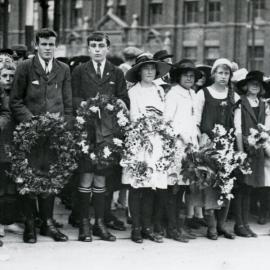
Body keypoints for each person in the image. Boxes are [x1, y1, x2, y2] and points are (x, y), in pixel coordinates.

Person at [10, 28, 72, 244]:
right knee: (29, 177)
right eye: (44, 44)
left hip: (54, 136)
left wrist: (64, 128)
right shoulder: (25, 67)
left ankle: (47, 222)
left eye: (51, 44)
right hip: (30, 136)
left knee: (50, 176)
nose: (48, 48)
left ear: (56, 46)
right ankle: (30, 224)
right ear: (36, 45)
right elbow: (15, 101)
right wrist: (32, 123)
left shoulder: (63, 69)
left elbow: (68, 103)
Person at [72, 31, 129, 242]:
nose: (97, 49)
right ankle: (84, 224)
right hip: (86, 131)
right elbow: (73, 97)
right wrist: (88, 106)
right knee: (86, 175)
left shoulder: (115, 72)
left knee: (101, 177)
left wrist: (118, 105)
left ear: (108, 48)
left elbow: (123, 98)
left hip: (107, 133)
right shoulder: (79, 70)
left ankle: (100, 223)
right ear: (88, 49)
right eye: (93, 46)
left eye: (101, 45)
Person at [123, 53, 171, 243]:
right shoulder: (133, 92)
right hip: (140, 142)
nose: (150, 72)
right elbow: (134, 117)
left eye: (152, 69)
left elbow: (165, 115)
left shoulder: (160, 90)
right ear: (139, 72)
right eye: (146, 68)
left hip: (157, 142)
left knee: (152, 186)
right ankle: (135, 228)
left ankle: (147, 227)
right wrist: (147, 127)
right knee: (137, 186)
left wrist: (162, 130)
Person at [196, 58, 242, 240]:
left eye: (227, 73)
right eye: (220, 73)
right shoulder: (203, 93)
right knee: (209, 185)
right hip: (208, 146)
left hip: (228, 147)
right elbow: (197, 121)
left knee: (226, 185)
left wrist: (239, 151)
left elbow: (238, 126)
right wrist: (201, 142)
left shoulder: (234, 97)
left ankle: (222, 224)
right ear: (213, 74)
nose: (223, 77)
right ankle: (212, 226)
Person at [164, 59, 202, 242]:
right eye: (185, 74)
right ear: (178, 76)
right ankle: (172, 228)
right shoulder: (173, 94)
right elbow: (167, 121)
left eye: (192, 75)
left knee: (185, 187)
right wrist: (181, 136)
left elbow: (193, 121)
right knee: (175, 188)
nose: (189, 77)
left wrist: (196, 139)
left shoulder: (193, 94)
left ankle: (180, 226)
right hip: (177, 147)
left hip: (191, 147)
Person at [234, 70, 267, 237]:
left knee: (249, 188)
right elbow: (238, 129)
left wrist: (262, 139)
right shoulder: (240, 103)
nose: (255, 86)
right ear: (245, 85)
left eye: (258, 83)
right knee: (241, 187)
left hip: (257, 151)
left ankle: (245, 223)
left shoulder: (262, 104)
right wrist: (240, 152)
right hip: (244, 150)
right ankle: (239, 224)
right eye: (252, 83)